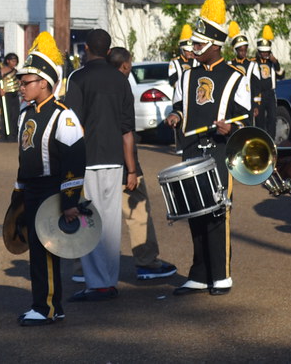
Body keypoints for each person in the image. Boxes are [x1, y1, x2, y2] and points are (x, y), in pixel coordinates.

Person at [164, 0, 251, 296]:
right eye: (195, 44)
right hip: (190, 149)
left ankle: (221, 274)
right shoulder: (186, 77)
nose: (195, 50)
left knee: (217, 211)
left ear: (216, 45)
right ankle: (199, 274)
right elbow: (178, 105)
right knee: (194, 212)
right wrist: (174, 116)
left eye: (200, 45)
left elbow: (247, 120)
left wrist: (233, 127)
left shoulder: (236, 77)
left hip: (219, 150)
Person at [13, 31, 85, 325]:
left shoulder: (64, 116)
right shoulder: (25, 114)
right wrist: (18, 192)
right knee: (36, 251)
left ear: (44, 82)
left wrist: (70, 201)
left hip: (52, 191)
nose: (20, 86)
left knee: (47, 252)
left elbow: (75, 162)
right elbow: (24, 157)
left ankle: (49, 308)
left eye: (26, 81)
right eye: (20, 81)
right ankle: (43, 303)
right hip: (31, 189)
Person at [63, 28, 136, 303]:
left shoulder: (78, 77)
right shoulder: (121, 80)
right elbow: (127, 129)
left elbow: (72, 123)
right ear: (107, 51)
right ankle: (109, 280)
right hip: (115, 160)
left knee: (88, 221)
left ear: (86, 49)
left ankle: (96, 285)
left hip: (88, 160)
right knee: (111, 224)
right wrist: (132, 169)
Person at [108, 46, 177, 281]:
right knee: (137, 210)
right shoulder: (122, 85)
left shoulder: (87, 81)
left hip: (94, 160)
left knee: (94, 214)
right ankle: (146, 262)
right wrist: (133, 169)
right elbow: (126, 132)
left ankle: (83, 267)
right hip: (121, 158)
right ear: (126, 66)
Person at [249, 25, 283, 137]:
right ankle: (261, 139)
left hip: (270, 93)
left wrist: (276, 62)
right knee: (260, 120)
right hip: (259, 94)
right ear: (258, 51)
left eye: (267, 52)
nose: (265, 54)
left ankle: (272, 141)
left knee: (272, 118)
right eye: (263, 52)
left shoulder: (272, 62)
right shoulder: (253, 62)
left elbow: (281, 75)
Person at [0, 52, 21, 142]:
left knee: (15, 115)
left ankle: (13, 135)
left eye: (15, 61)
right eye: (12, 61)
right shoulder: (2, 71)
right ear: (8, 61)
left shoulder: (16, 72)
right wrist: (0, 90)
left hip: (14, 94)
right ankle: (4, 135)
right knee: (6, 115)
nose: (14, 63)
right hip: (5, 95)